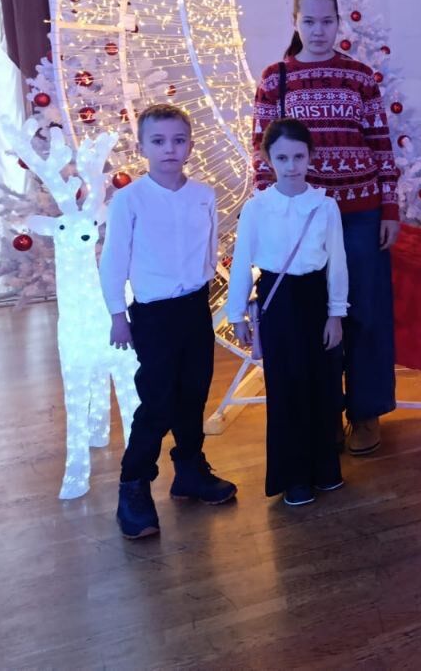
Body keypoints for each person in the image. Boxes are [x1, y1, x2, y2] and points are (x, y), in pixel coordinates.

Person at [252, 0, 399, 457]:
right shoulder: (275, 80)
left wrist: (389, 207)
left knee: (365, 312)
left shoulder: (360, 77)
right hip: (304, 219)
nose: (319, 31)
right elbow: (261, 151)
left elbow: (381, 144)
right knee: (315, 317)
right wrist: (268, 214)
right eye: (309, 21)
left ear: (339, 22)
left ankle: (366, 411)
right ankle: (325, 412)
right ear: (295, 22)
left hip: (360, 213)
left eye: (327, 21)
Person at [101, 104, 236, 540]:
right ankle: (134, 483)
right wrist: (118, 316)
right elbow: (114, 260)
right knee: (158, 400)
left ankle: (190, 470)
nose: (169, 149)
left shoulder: (203, 195)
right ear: (142, 147)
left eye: (178, 140)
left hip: (194, 308)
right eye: (158, 141)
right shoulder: (129, 200)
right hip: (153, 314)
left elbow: (209, 248)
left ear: (190, 145)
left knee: (194, 392)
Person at [228, 119, 348, 507]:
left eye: (298, 156)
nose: (292, 165)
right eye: (282, 158)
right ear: (268, 159)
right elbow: (242, 261)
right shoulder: (256, 208)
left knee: (323, 384)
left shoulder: (325, 206)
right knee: (286, 388)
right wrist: (236, 313)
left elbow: (337, 263)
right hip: (277, 302)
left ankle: (325, 468)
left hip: (315, 299)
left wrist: (336, 314)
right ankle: (294, 477)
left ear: (310, 156)